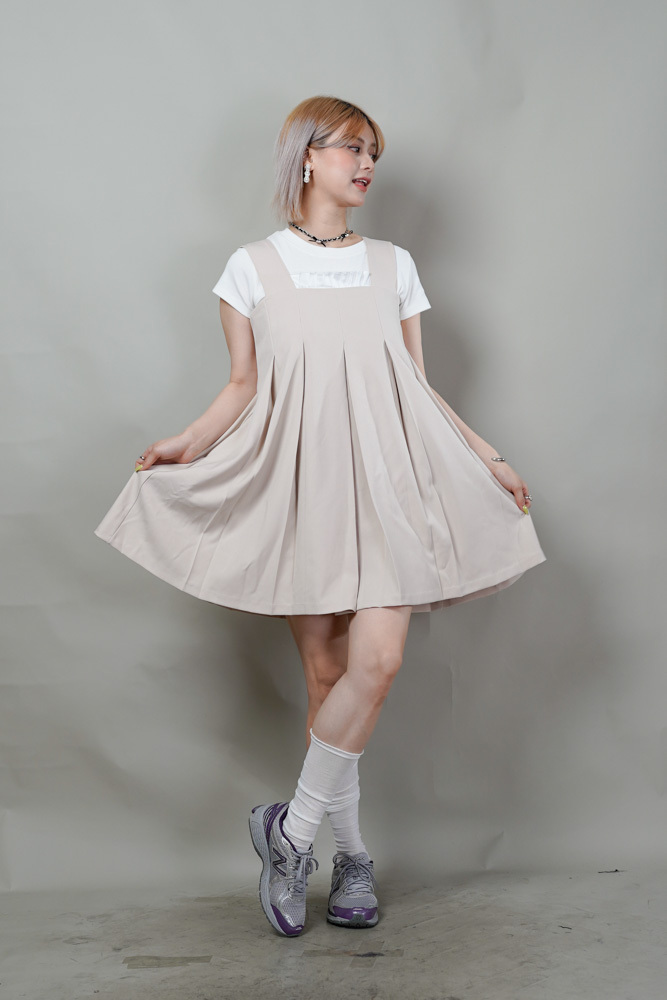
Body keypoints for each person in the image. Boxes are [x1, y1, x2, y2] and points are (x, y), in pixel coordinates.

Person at [94, 95, 546, 937]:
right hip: (303, 483)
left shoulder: (393, 265)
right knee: (328, 676)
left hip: (390, 481)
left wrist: (486, 456)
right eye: (350, 148)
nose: (365, 164)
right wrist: (187, 442)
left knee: (379, 661)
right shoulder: (250, 267)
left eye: (373, 152)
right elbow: (243, 385)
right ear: (306, 156)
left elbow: (415, 386)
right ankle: (352, 861)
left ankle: (290, 833)